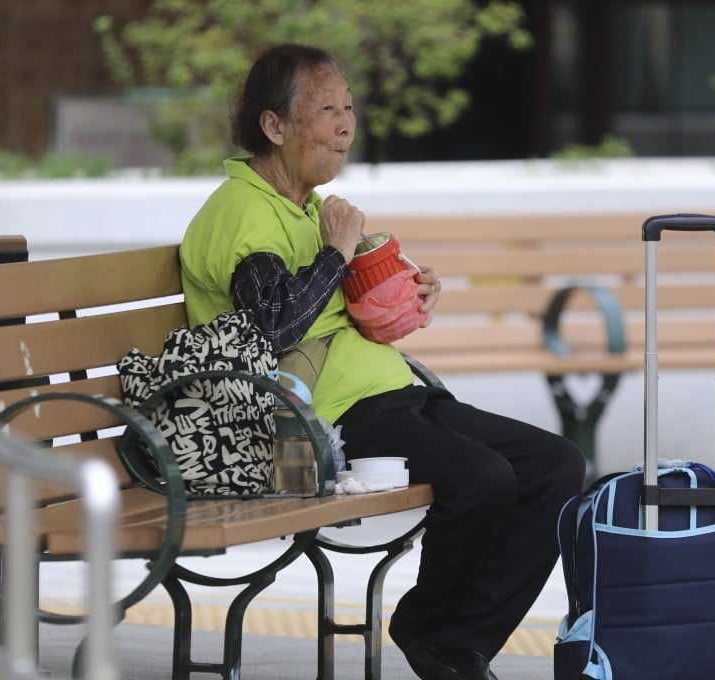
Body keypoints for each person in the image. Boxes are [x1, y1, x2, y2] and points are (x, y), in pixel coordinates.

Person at [179, 43, 586, 680]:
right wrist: (338, 253)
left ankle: (457, 639)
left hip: (390, 393)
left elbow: (341, 313)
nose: (345, 125)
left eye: (348, 107)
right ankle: (432, 632)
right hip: (319, 420)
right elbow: (273, 326)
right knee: (483, 478)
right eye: (326, 110)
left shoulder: (304, 207)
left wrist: (408, 293)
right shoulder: (241, 212)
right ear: (275, 126)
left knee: (557, 465)